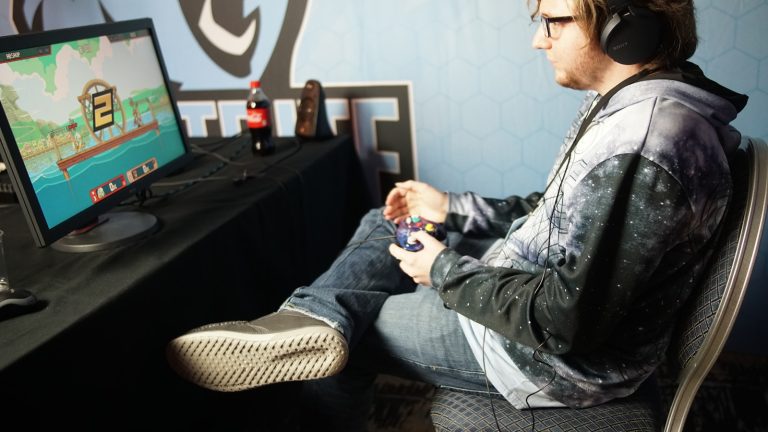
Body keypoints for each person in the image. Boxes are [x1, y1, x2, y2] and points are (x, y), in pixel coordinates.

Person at [166, 0, 748, 429]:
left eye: (554, 20)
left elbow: (564, 324)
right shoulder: (636, 108)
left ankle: (320, 322)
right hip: (526, 289)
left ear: (627, 28)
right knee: (385, 221)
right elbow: (554, 217)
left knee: (344, 336)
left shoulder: (647, 141)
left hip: (549, 361)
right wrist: (451, 209)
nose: (538, 40)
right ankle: (312, 314)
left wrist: (442, 270)